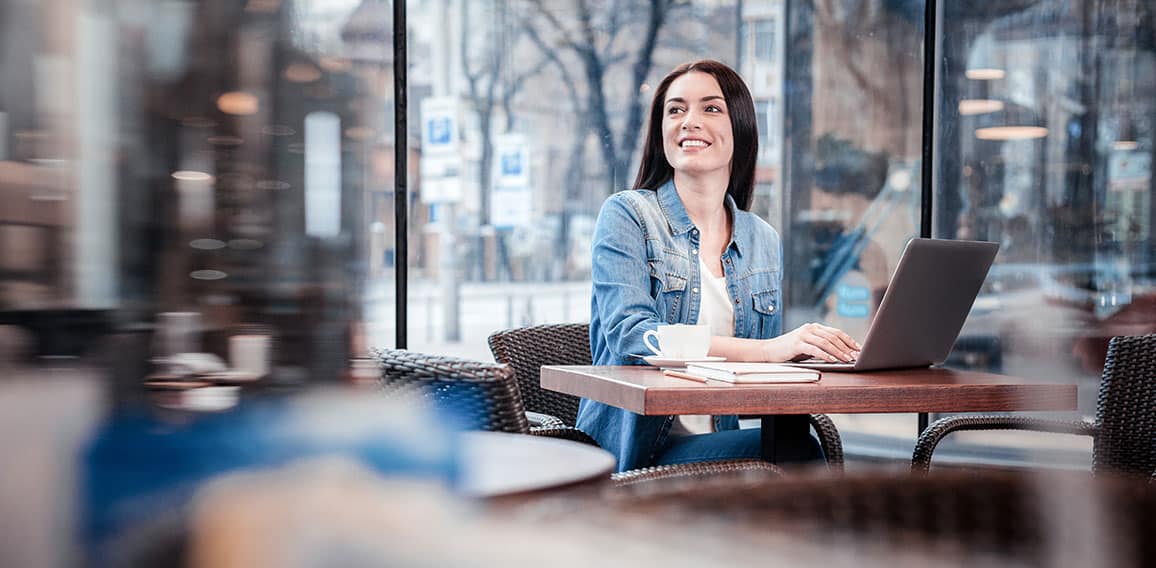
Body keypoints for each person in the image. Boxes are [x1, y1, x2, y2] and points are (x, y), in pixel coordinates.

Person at [579, 60, 860, 472]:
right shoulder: (628, 215)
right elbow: (634, 336)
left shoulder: (761, 238)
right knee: (799, 455)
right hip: (637, 453)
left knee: (797, 446)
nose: (689, 121)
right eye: (675, 110)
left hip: (714, 442)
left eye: (710, 108)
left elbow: (761, 365)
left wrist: (820, 352)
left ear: (741, 128)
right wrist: (769, 351)